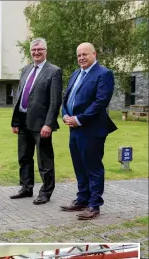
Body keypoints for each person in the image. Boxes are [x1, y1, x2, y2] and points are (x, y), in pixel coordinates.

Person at [60, 42, 117, 220]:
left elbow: (100, 102)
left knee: (93, 167)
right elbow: (67, 98)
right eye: (79, 55)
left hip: (91, 129)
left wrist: (78, 119)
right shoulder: (76, 74)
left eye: (85, 54)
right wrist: (65, 115)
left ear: (94, 54)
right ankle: (82, 199)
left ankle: (94, 205)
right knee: (79, 166)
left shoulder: (104, 74)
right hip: (74, 129)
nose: (81, 58)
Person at [10, 38, 63, 205]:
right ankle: (26, 187)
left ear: (46, 51)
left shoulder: (54, 71)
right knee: (24, 157)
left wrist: (48, 123)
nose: (36, 52)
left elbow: (55, 101)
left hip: (41, 124)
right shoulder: (26, 69)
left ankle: (46, 192)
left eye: (40, 49)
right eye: (33, 50)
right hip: (24, 121)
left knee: (44, 160)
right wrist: (16, 121)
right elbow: (19, 96)